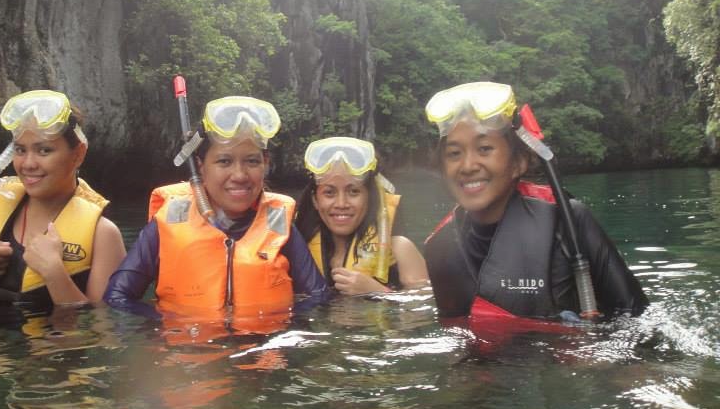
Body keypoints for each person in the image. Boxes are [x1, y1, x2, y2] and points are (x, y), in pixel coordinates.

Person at [422, 81, 648, 320]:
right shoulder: (440, 247)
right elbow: (456, 335)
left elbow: (638, 322)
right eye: (454, 153)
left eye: (485, 149)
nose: (467, 166)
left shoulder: (568, 221)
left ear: (519, 162)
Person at [104, 95, 328, 324]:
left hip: (263, 351)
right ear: (201, 167)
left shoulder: (278, 223)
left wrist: (285, 325)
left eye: (252, 161)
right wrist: (165, 323)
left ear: (266, 163)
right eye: (224, 161)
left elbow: (317, 297)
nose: (240, 175)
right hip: (187, 351)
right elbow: (117, 297)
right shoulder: (168, 223)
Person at [0, 90, 125, 309]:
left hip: (47, 343)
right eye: (20, 150)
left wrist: (54, 273)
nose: (28, 163)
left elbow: (103, 331)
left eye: (44, 150)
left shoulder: (103, 235)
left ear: (78, 154)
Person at [294, 137, 429, 295]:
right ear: (315, 200)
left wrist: (378, 292)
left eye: (354, 192)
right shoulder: (297, 251)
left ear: (369, 198)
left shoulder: (401, 248)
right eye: (329, 193)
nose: (341, 204)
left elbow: (423, 309)